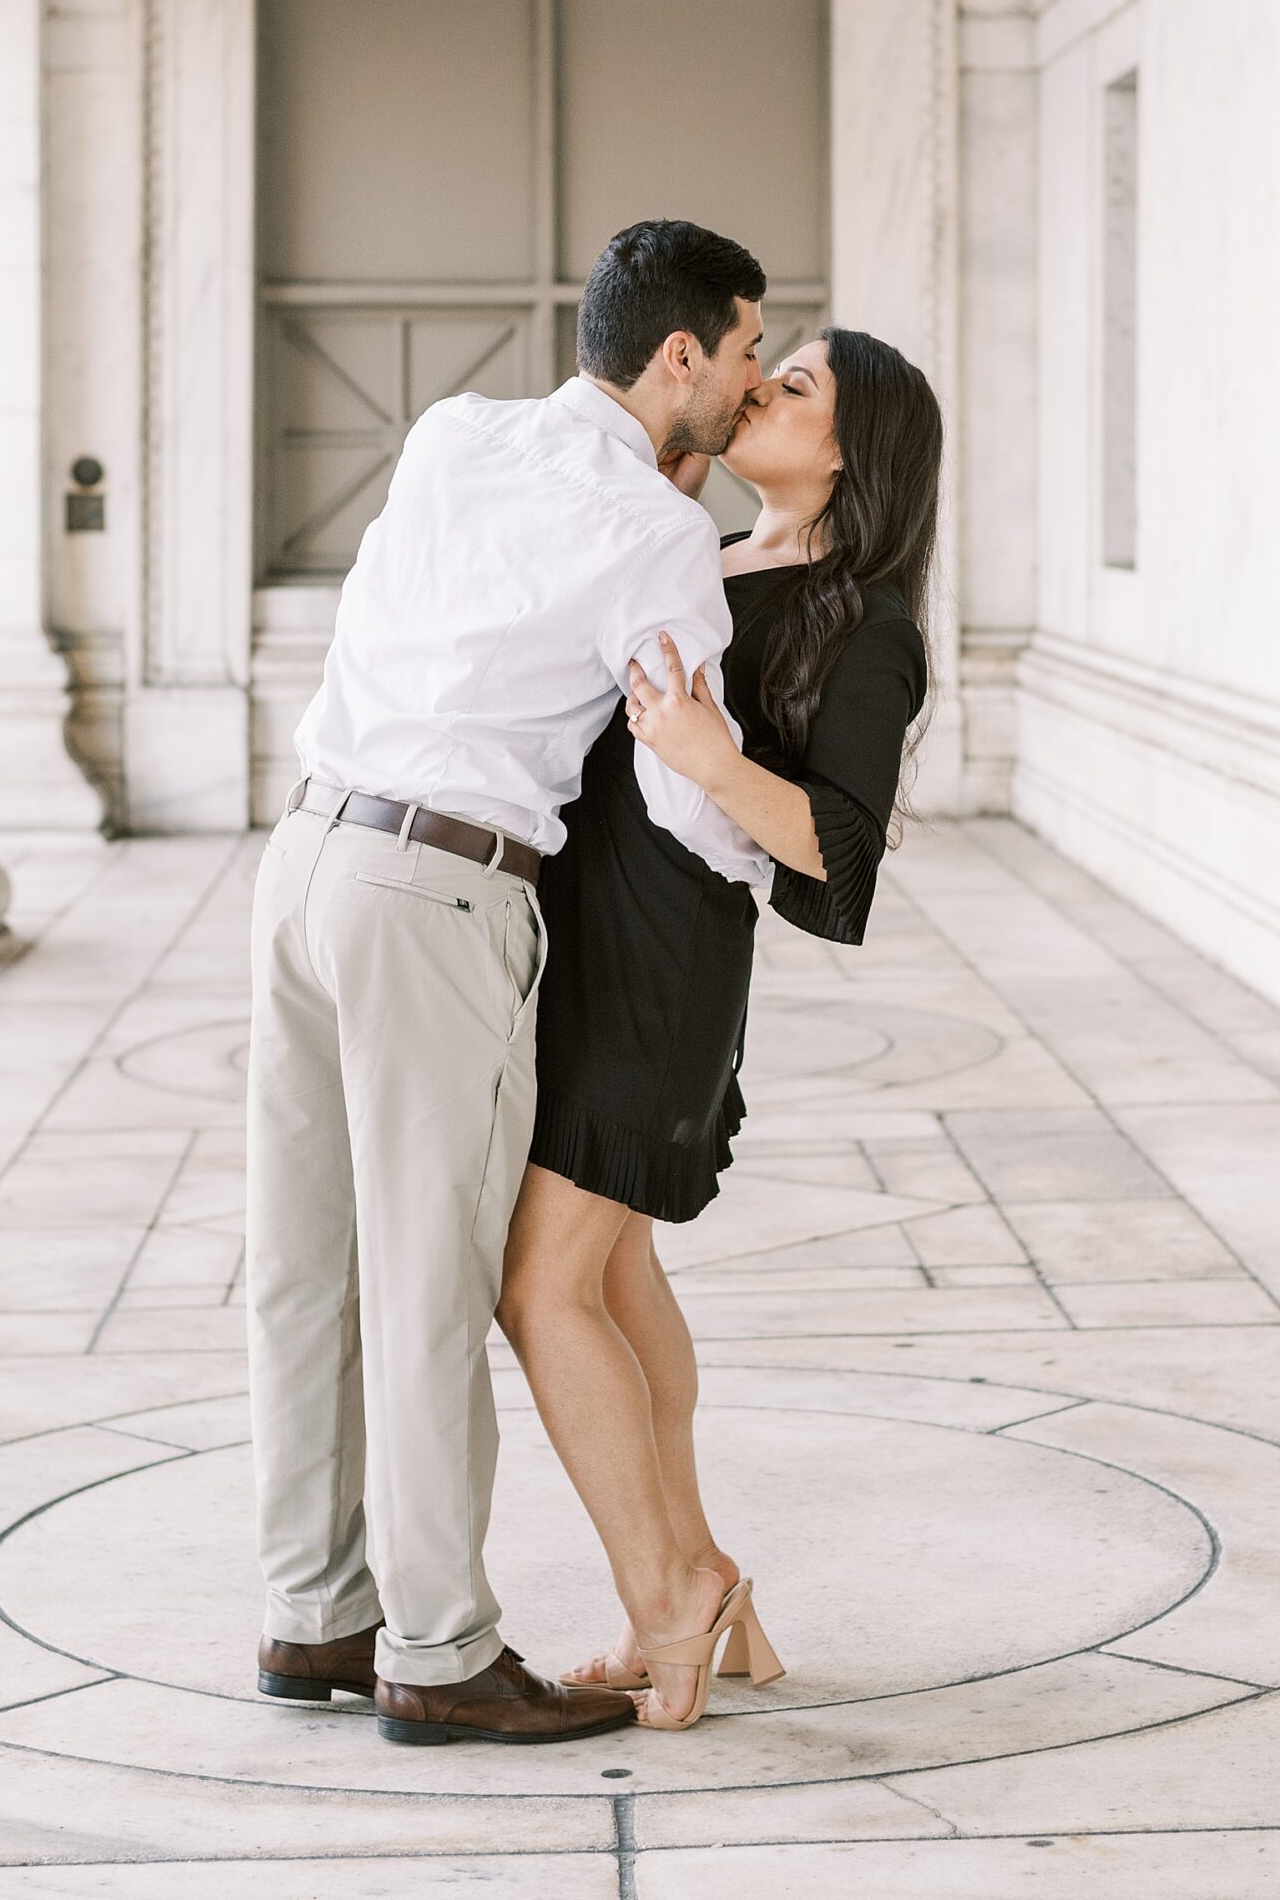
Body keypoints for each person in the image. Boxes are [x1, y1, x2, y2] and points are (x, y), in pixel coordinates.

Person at [246, 219, 774, 1748]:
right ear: (678, 352)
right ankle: (437, 1649)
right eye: (745, 350)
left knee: (306, 1269)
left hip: (303, 860)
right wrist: (767, 873)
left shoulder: (454, 430)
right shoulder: (663, 536)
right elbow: (681, 782)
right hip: (434, 893)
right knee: (425, 1280)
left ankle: (312, 1617)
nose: (750, 383)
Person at [496, 326, 941, 1731]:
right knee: (615, 1281)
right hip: (582, 939)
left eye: (793, 385)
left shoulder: (864, 620)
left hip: (662, 963)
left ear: (851, 451)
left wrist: (711, 757)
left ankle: (664, 1601)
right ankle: (700, 1575)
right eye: (769, 365)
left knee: (542, 1287)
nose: (757, 390)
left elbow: (844, 856)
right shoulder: (704, 553)